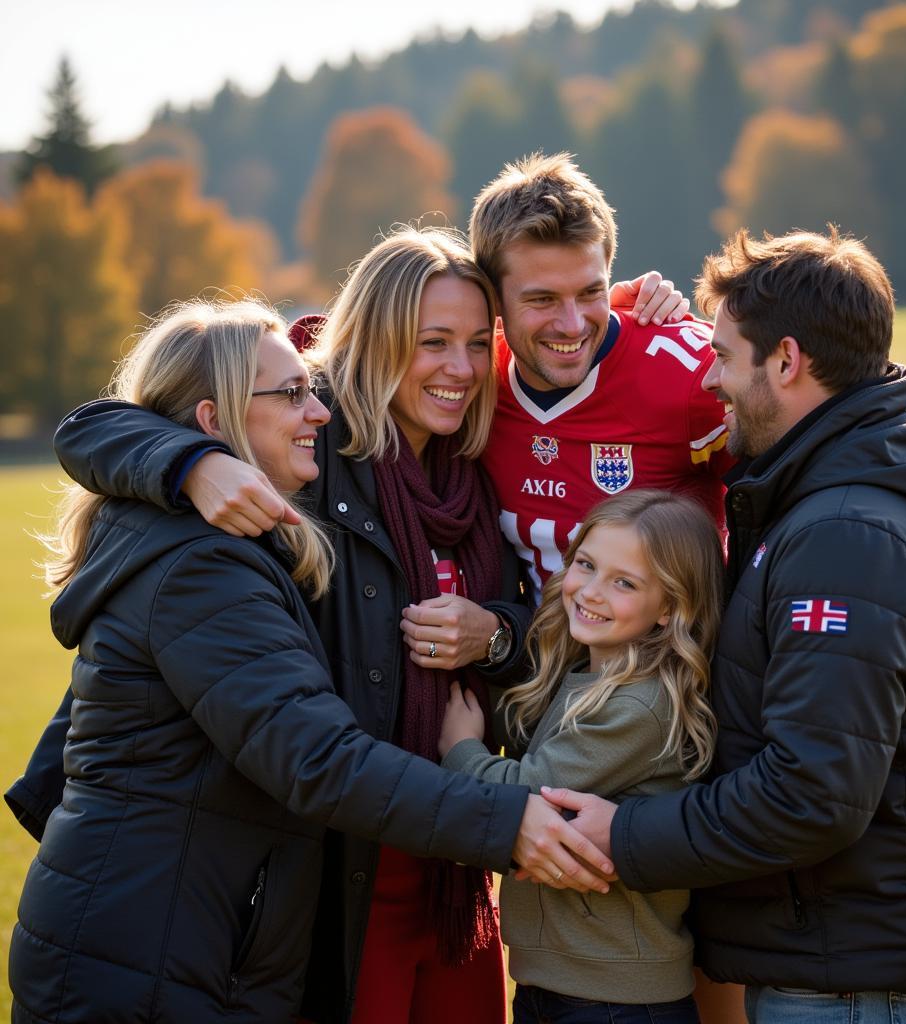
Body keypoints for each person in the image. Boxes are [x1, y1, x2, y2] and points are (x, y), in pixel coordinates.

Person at [14, 232, 621, 1024]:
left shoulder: (477, 463)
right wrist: (195, 461)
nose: (463, 368)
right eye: (431, 342)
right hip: (333, 863)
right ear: (376, 339)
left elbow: (531, 625)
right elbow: (98, 425)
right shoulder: (307, 448)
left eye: (479, 344)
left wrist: (495, 636)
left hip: (448, 867)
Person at [543, 227, 906, 1024]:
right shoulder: (824, 495)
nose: (712, 380)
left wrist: (625, 837)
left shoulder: (845, 534)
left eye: (724, 356)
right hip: (845, 950)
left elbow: (812, 793)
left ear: (787, 362)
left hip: (856, 973)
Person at [438, 490, 724, 1024]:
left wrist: (461, 750)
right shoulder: (586, 676)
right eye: (586, 565)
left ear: (670, 609)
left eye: (625, 583)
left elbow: (531, 793)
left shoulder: (641, 703)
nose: (590, 592)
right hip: (559, 984)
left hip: (616, 999)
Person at [469, 152, 735, 593]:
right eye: (542, 300)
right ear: (493, 299)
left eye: (591, 292)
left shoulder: (691, 375)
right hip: (536, 656)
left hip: (673, 659)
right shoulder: (473, 380)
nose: (572, 325)